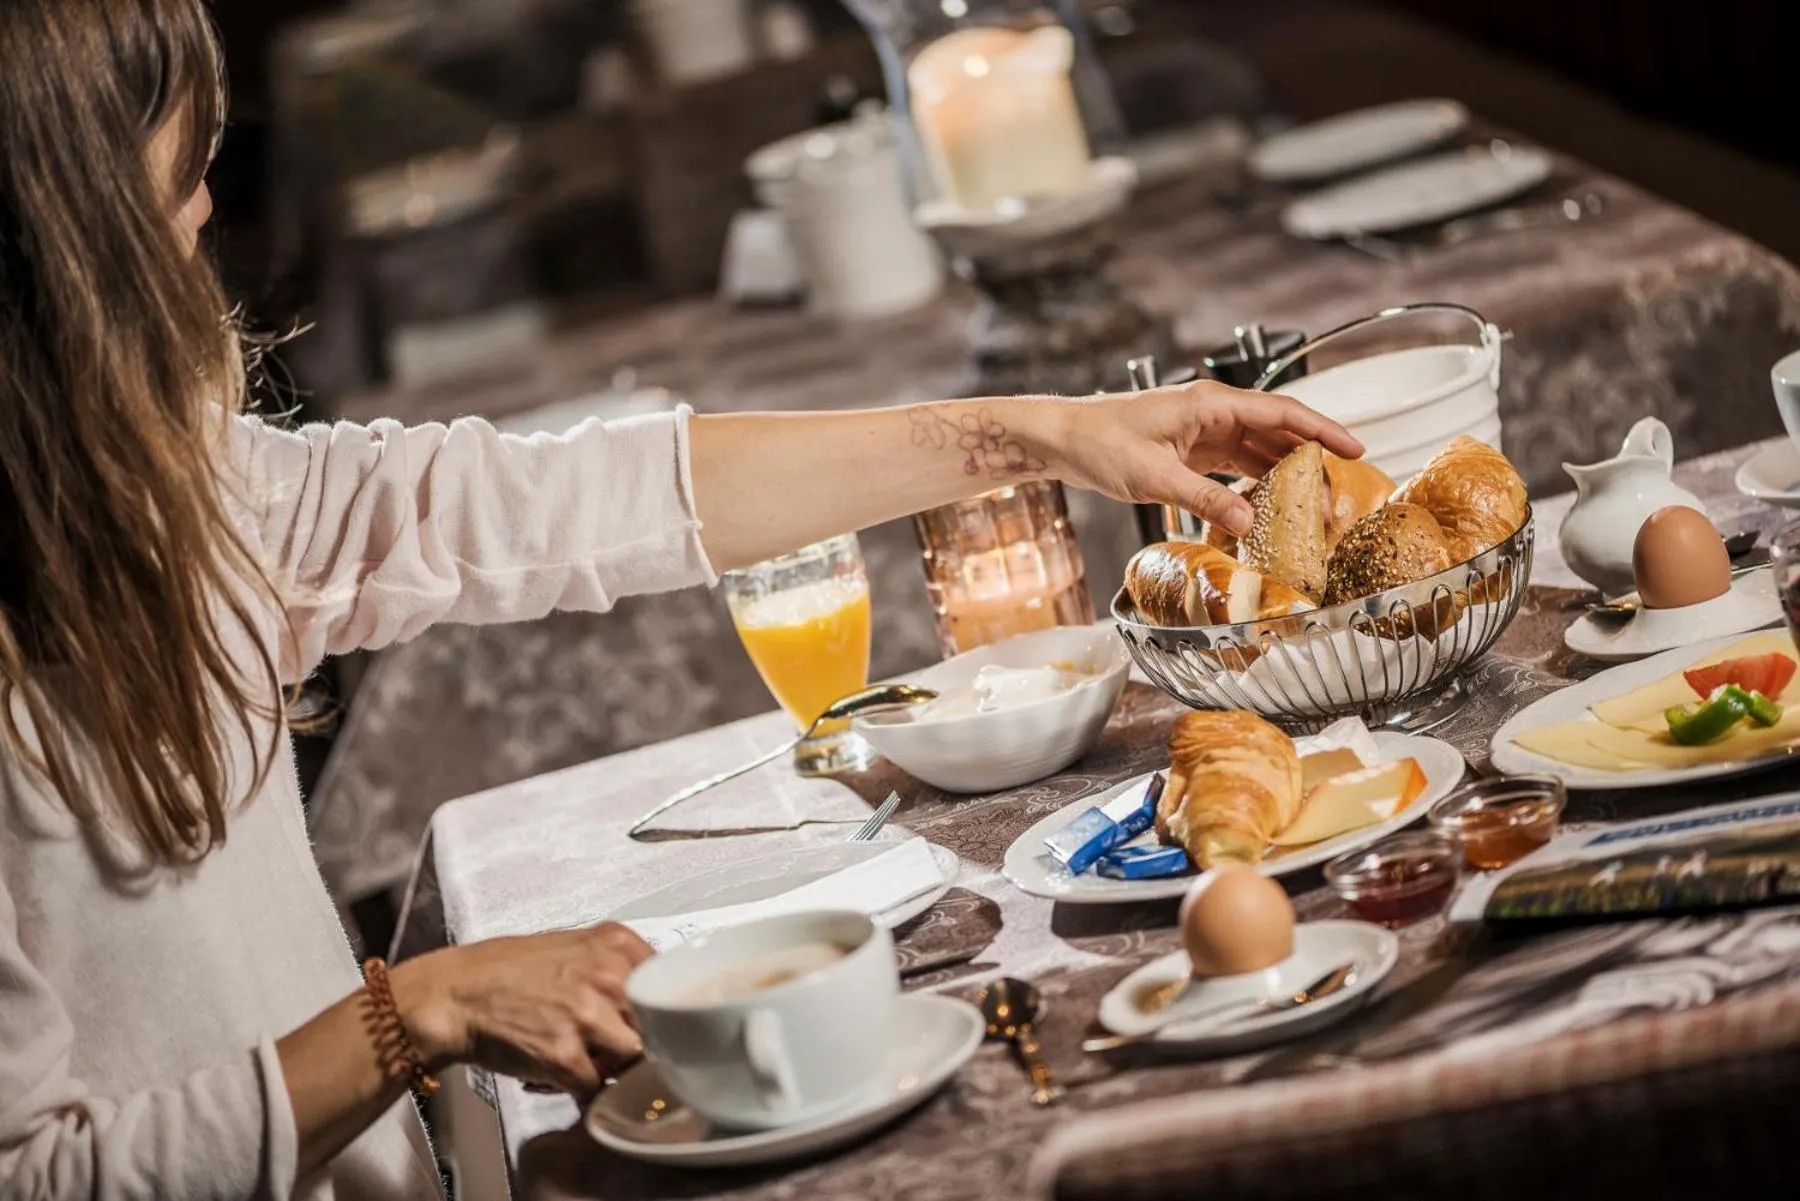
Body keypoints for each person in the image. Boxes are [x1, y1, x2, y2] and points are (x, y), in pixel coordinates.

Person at [0, 2, 1362, 1197]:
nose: (202, 222)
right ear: (64, 245)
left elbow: (563, 500)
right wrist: (412, 1012)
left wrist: (1041, 431)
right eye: (178, 181)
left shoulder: (158, 493)